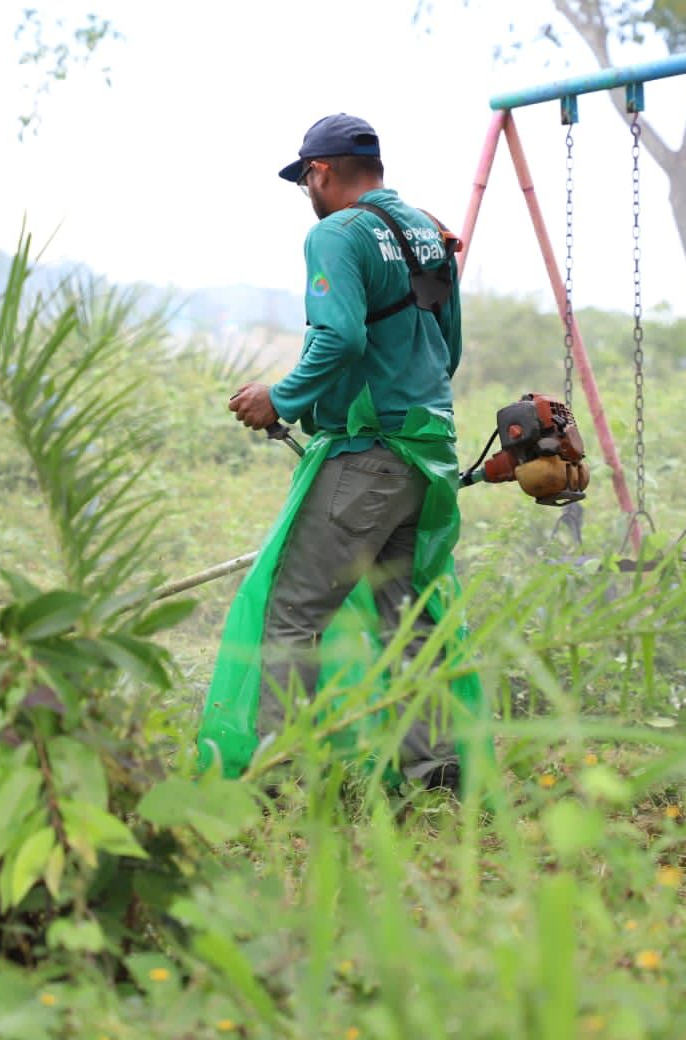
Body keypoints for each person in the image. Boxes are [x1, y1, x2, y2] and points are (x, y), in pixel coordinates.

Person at [196, 113, 482, 790]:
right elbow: (448, 349)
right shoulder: (430, 233)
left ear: (320, 172)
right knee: (407, 615)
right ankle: (434, 770)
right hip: (427, 453)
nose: (308, 195)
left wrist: (281, 398)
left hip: (368, 452)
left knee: (294, 610)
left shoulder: (336, 233)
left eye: (306, 182)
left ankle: (283, 775)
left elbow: (341, 338)